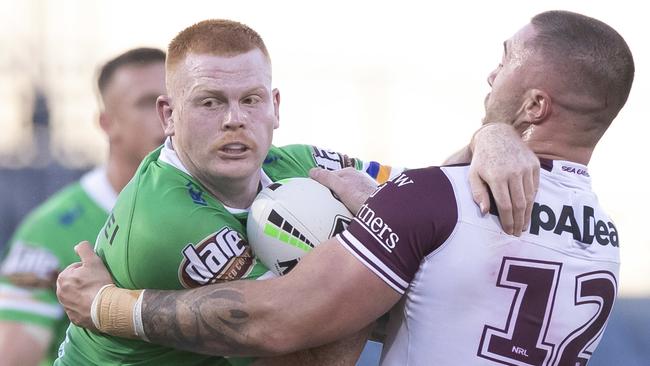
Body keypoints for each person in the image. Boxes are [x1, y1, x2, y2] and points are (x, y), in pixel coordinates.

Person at [56, 10, 633, 366]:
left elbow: (300, 320)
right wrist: (491, 137)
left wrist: (104, 304)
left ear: (276, 106)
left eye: (251, 99)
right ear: (169, 115)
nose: (235, 119)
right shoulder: (606, 236)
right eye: (210, 102)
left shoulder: (323, 169)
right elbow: (301, 333)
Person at [0, 48, 166, 366]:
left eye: (174, 102)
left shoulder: (227, 204)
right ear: (107, 123)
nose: (166, 115)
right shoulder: (47, 232)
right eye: (147, 103)